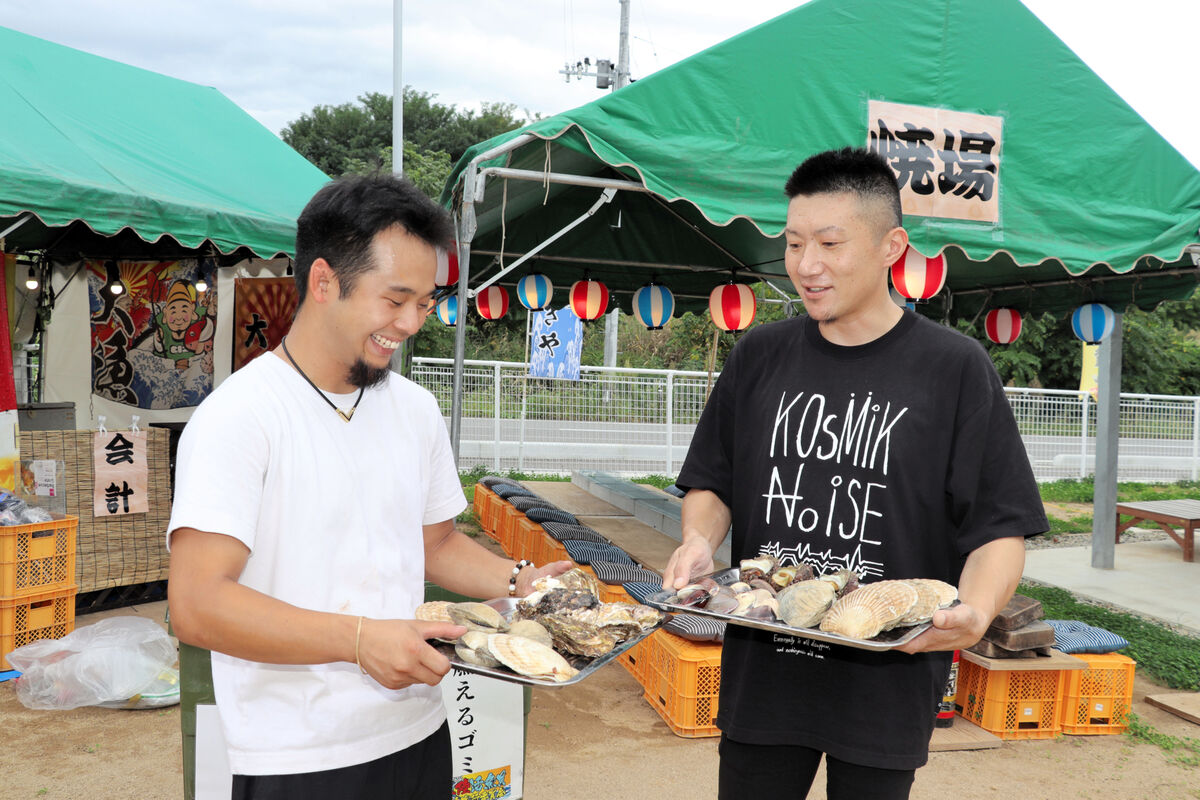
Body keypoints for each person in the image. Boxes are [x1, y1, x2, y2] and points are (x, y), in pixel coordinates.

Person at [167, 174, 570, 799]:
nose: (412, 322)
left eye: (427, 301)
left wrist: (521, 582)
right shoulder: (240, 417)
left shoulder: (414, 409)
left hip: (417, 728)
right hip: (296, 757)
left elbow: (436, 546)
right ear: (324, 281)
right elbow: (196, 604)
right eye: (395, 298)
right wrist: (358, 641)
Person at [662, 147, 1047, 800]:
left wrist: (978, 610)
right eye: (793, 244)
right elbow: (712, 481)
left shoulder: (953, 369)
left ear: (891, 246)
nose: (806, 266)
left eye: (830, 243)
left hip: (886, 681)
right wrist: (698, 541)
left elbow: (998, 524)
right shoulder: (759, 355)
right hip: (766, 673)